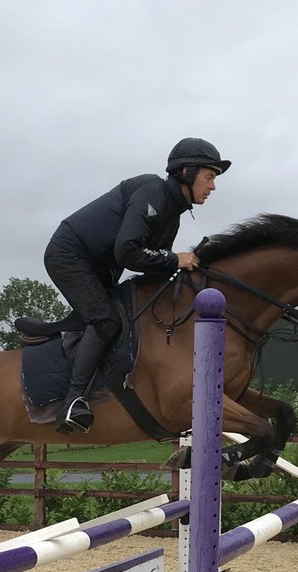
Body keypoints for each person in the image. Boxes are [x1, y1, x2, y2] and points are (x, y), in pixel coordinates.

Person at [43, 137, 231, 433]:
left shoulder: (173, 215)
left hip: (100, 264)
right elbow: (128, 252)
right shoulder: (153, 192)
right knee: (105, 319)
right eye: (209, 177)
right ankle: (71, 401)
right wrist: (175, 259)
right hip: (69, 255)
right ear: (186, 172)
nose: (213, 187)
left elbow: (153, 268)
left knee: (124, 315)